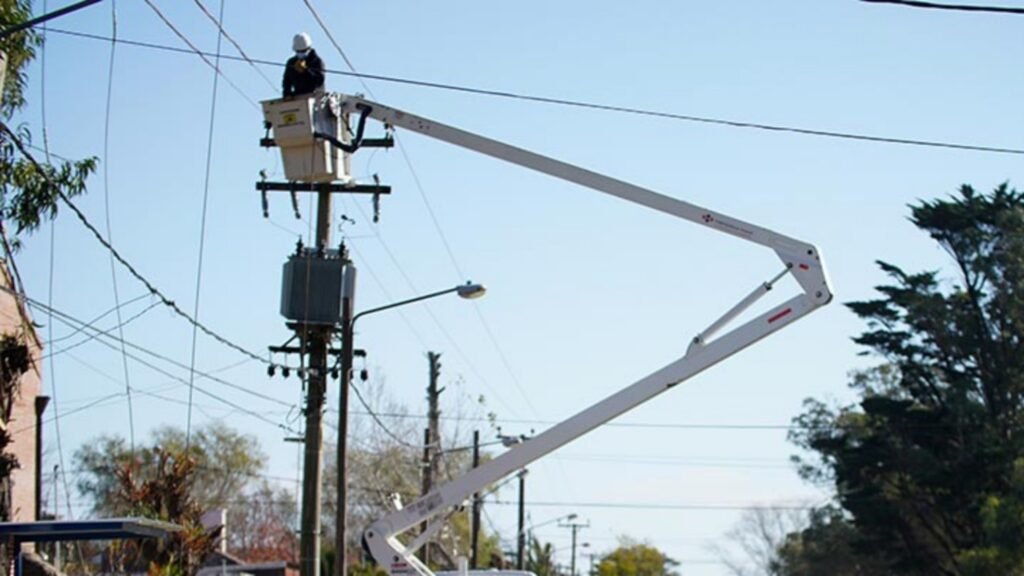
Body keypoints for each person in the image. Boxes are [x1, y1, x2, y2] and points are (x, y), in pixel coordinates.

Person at [282, 32, 325, 98]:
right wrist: (287, 93)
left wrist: (306, 71)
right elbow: (286, 81)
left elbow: (319, 81)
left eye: (303, 51)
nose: (300, 54)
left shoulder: (317, 61)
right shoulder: (291, 62)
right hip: (298, 97)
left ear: (309, 49)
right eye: (298, 51)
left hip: (315, 97)